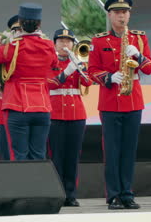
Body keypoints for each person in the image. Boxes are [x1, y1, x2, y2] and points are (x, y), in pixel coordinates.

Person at [0, 3, 58, 160]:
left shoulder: (13, 46)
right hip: (42, 107)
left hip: (18, 106)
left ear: (20, 23)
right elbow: (54, 65)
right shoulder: (49, 45)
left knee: (18, 156)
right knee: (39, 155)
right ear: (39, 24)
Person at [88, 0, 151, 210]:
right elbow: (91, 71)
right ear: (109, 14)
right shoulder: (98, 41)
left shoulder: (139, 39)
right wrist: (108, 77)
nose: (121, 16)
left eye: (124, 12)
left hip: (133, 99)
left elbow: (150, 68)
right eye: (117, 12)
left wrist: (139, 56)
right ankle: (113, 195)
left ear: (129, 14)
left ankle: (127, 193)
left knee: (129, 150)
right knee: (112, 150)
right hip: (109, 101)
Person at [47, 28, 92, 207]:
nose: (65, 44)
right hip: (55, 113)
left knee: (72, 156)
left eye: (68, 41)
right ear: (55, 43)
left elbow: (88, 82)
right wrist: (66, 72)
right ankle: (57, 194)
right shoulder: (50, 61)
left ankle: (70, 194)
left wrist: (80, 66)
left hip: (76, 113)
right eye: (61, 41)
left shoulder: (78, 61)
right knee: (56, 156)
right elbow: (49, 84)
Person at [0, 15, 22, 160]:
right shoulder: (3, 50)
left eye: (21, 29)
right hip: (6, 105)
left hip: (28, 105)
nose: (18, 33)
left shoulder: (36, 48)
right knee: (7, 154)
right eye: (15, 30)